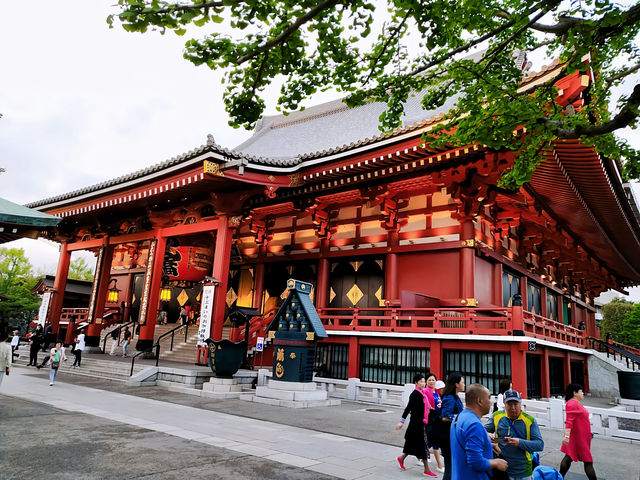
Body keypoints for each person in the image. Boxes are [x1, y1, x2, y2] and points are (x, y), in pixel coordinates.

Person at [450, 383, 508, 480]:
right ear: (480, 401)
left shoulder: (459, 417)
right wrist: (496, 463)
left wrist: (487, 445)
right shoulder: (474, 425)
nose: (490, 402)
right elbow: (475, 461)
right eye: (489, 398)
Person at [486, 389, 544, 480]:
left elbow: (540, 445)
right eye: (509, 404)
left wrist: (519, 442)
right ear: (504, 404)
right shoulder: (496, 416)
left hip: (523, 471)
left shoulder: (530, 421)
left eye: (516, 404)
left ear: (520, 403)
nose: (513, 407)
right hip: (502, 469)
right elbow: (484, 433)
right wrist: (488, 435)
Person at [395, 373, 437, 477]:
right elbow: (408, 408)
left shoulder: (422, 394)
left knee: (411, 445)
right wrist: (402, 421)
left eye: (424, 381)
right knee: (423, 446)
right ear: (416, 383)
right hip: (416, 424)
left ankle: (401, 458)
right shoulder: (415, 394)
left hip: (420, 423)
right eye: (421, 382)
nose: (423, 383)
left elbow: (426, 408)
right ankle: (427, 469)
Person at [559, 383, 597, 480]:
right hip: (578, 439)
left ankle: (559, 477)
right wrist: (566, 436)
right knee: (588, 461)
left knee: (568, 457)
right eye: (581, 391)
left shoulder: (575, 403)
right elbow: (569, 421)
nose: (583, 393)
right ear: (575, 393)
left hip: (581, 437)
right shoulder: (572, 404)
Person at [440, 372, 466, 480]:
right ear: (456, 384)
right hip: (449, 438)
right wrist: (459, 418)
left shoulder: (455, 397)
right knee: (450, 469)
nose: (464, 384)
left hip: (453, 436)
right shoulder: (450, 398)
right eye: (462, 382)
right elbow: (444, 417)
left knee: (452, 468)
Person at [426, 373, 445, 473]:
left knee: (431, 441)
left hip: (437, 419)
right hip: (431, 420)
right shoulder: (427, 392)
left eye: (433, 380)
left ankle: (421, 455)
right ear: (426, 381)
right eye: (429, 380)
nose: (431, 381)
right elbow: (428, 407)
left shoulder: (435, 392)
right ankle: (439, 465)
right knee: (436, 442)